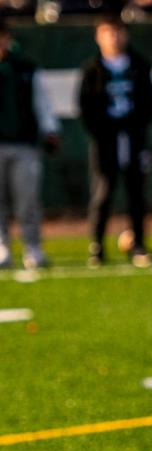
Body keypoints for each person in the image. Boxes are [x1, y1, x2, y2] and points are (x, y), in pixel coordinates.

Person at [79, 14, 152, 268]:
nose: (113, 37)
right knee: (103, 192)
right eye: (107, 32)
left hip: (133, 138)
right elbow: (85, 106)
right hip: (105, 140)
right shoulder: (92, 69)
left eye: (117, 31)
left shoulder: (138, 65)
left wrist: (133, 125)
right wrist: (104, 129)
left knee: (136, 192)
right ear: (98, 36)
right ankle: (97, 245)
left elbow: (149, 101)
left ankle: (139, 244)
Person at [0, 18, 60, 270]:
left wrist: (50, 130)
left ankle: (32, 247)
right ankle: (2, 247)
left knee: (28, 200)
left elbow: (42, 102)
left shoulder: (25, 68)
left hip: (24, 144)